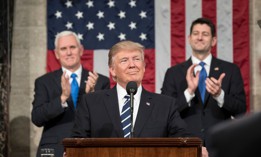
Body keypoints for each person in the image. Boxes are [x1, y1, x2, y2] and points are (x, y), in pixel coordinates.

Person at [70, 40, 208, 157]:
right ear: (112, 70)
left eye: (136, 59)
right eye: (124, 60)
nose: (132, 65)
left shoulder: (164, 105)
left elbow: (183, 137)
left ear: (143, 67)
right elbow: (77, 141)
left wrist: (196, 148)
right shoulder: (91, 102)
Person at [161, 17, 246, 148]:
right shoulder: (173, 73)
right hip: (184, 146)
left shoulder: (230, 70)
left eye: (205, 34)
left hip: (220, 145)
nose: (199, 38)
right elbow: (165, 113)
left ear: (213, 41)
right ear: (189, 38)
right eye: (196, 34)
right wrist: (189, 92)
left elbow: (240, 110)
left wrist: (219, 95)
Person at [31, 30, 110, 157]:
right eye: (63, 49)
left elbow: (106, 120)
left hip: (90, 148)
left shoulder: (100, 81)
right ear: (57, 54)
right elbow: (37, 118)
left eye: (72, 47)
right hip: (54, 149)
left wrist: (91, 96)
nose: (68, 52)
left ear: (81, 50)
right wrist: (63, 98)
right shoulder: (43, 82)